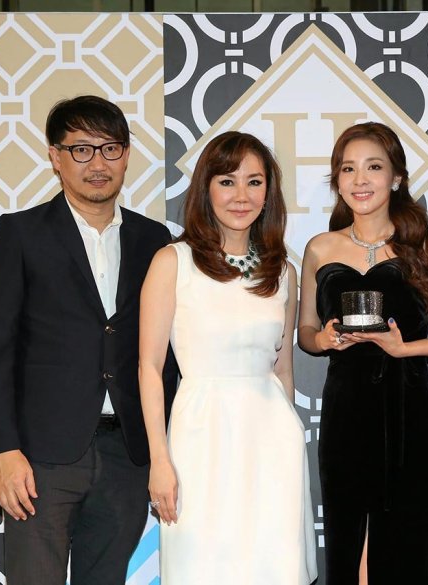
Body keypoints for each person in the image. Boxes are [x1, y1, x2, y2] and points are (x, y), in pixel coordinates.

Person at [0, 95, 176, 584]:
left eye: (110, 148)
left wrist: (163, 448)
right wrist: (4, 450)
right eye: (81, 150)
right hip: (40, 457)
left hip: (126, 454)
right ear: (55, 156)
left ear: (126, 155)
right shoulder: (21, 233)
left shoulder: (155, 240)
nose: (97, 163)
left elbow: (166, 355)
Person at [297, 122, 428, 584]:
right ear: (337, 180)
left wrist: (407, 348)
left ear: (396, 177)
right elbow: (305, 333)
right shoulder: (320, 248)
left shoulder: (426, 245)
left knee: (403, 540)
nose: (360, 180)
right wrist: (325, 339)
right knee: (347, 535)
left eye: (373, 167)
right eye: (348, 169)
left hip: (407, 409)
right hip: (345, 411)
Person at [138, 131, 317, 584]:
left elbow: (283, 368)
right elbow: (150, 367)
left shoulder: (283, 272)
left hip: (271, 441)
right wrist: (160, 459)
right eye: (227, 181)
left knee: (273, 566)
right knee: (201, 565)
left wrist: (289, 435)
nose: (241, 196)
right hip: (199, 436)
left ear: (268, 193)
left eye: (254, 182)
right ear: (206, 188)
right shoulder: (172, 261)